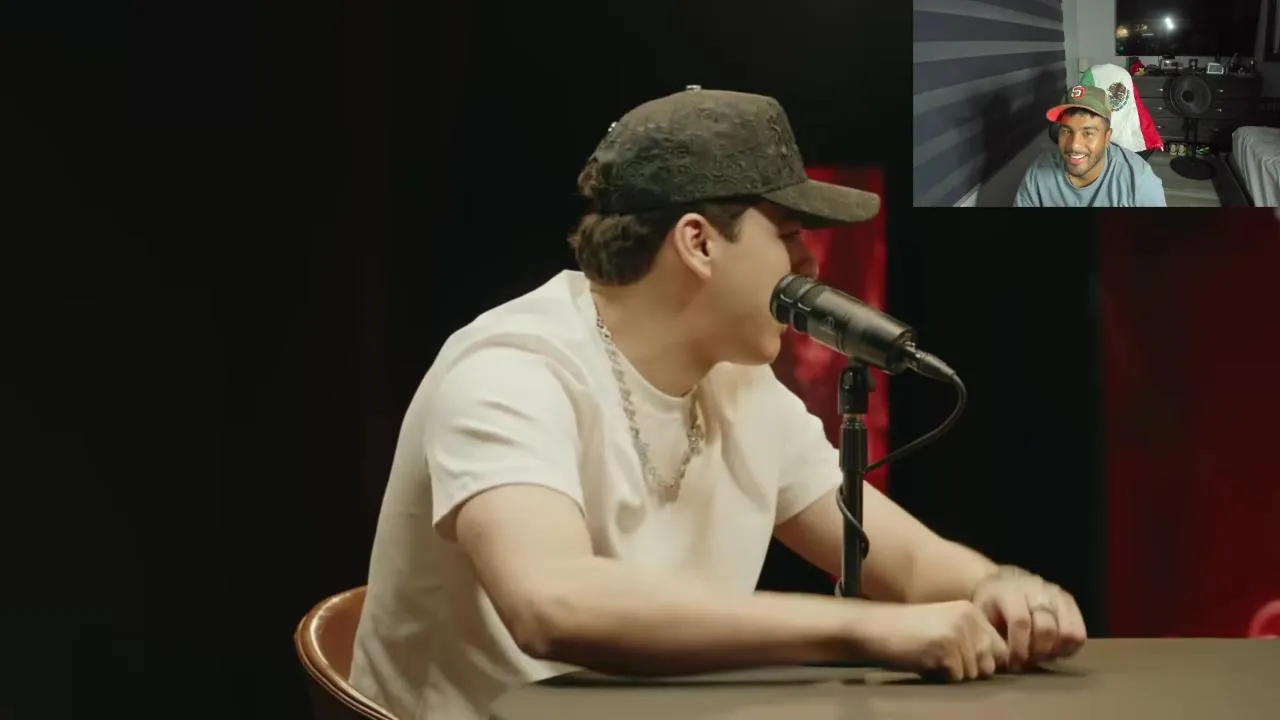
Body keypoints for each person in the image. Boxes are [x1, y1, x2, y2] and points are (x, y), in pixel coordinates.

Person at [350, 87, 1089, 720]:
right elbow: (553, 605)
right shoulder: (511, 371)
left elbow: (909, 563)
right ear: (698, 243)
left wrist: (998, 586)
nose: (810, 264)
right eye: (789, 235)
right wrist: (864, 632)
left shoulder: (740, 388)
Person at [1015, 84, 1166, 207]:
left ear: (1107, 137)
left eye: (1088, 133)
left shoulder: (1139, 181)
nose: (1074, 145)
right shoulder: (1039, 171)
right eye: (1067, 131)